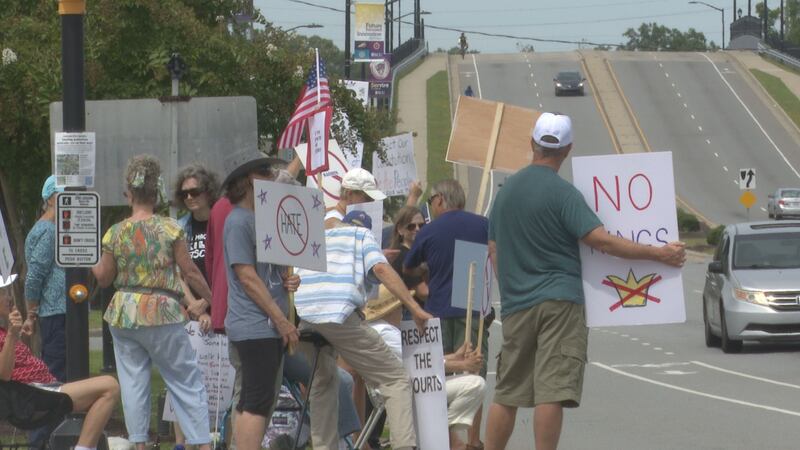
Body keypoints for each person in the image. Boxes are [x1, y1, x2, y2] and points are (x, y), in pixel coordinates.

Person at [484, 112, 687, 450]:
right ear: (567, 149)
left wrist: (511, 284)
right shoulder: (564, 194)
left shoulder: (504, 194)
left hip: (517, 304)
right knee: (552, 388)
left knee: (507, 390)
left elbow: (493, 248)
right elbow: (602, 241)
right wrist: (658, 253)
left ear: (532, 143)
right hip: (559, 302)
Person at [92, 155, 214, 450]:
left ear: (128, 194)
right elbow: (190, 272)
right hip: (162, 312)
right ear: (157, 193)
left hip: (124, 314)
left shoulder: (114, 232)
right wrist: (214, 299)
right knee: (184, 379)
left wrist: (91, 256)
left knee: (133, 383)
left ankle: (140, 444)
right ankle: (201, 443)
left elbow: (104, 278)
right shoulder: (170, 229)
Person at [294, 210, 433, 450]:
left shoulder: (314, 238)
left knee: (323, 383)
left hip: (304, 315)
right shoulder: (360, 235)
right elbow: (380, 269)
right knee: (396, 379)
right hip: (338, 311)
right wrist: (414, 308)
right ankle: (404, 446)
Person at [220, 148, 300, 450]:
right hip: (257, 326)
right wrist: (281, 321)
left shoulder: (258, 219)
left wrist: (287, 280)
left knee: (253, 400)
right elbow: (247, 277)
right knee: (256, 401)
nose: (270, 176)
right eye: (264, 171)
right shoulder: (239, 221)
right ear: (249, 181)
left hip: (262, 326)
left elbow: (266, 274)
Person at [403, 179, 489, 449]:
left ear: (440, 200)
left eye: (431, 202)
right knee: (475, 371)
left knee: (442, 372)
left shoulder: (430, 230)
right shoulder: (482, 224)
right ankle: (473, 439)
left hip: (439, 307)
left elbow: (408, 266)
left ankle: (445, 438)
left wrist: (427, 269)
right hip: (472, 303)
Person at [0, 274, 120, 450]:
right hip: (31, 396)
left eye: (7, 292)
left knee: (103, 393)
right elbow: (3, 374)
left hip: (42, 389)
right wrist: (12, 334)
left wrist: (15, 331)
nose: (8, 297)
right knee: (109, 386)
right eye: (2, 293)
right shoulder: (6, 333)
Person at [364, 285, 486, 450]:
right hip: (406, 389)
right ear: (391, 310)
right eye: (400, 307)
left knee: (467, 384)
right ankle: (439, 428)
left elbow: (421, 361)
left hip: (404, 386)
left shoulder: (379, 330)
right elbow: (419, 363)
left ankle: (438, 430)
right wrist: (463, 365)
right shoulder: (386, 332)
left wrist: (456, 357)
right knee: (475, 384)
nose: (402, 311)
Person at [23, 175, 66, 382]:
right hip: (56, 312)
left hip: (57, 312)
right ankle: (57, 413)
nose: (70, 200)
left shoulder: (51, 229)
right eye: (63, 194)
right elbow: (34, 276)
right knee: (57, 371)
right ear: (49, 199)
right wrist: (31, 313)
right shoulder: (49, 231)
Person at [174, 163, 222, 332]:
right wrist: (196, 308)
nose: (189, 197)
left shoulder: (223, 223)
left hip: (224, 309)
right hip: (193, 315)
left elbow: (229, 272)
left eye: (194, 192)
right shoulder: (179, 228)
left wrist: (207, 301)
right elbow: (176, 275)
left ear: (208, 192)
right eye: (184, 194)